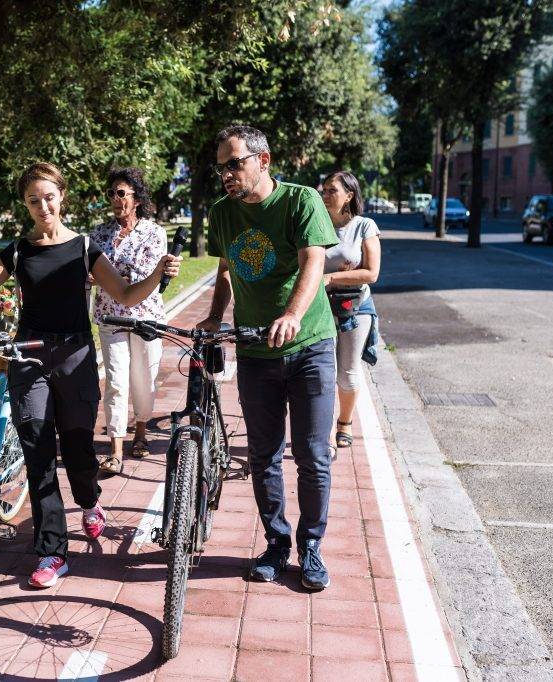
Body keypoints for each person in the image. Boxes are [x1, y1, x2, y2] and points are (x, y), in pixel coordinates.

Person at [0, 162, 180, 589]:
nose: (42, 205)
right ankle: (52, 551)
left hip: (75, 357)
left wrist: (158, 276)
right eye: (33, 199)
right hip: (28, 358)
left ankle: (88, 502)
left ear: (61, 196)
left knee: (80, 452)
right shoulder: (18, 251)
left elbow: (123, 294)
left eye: (49, 196)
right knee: (39, 455)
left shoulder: (85, 247)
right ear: (25, 204)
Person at [197, 125, 339, 591]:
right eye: (221, 167)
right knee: (263, 455)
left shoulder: (300, 201)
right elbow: (224, 269)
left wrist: (293, 314)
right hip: (256, 348)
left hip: (309, 345)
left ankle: (311, 545)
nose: (227, 174)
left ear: (264, 160)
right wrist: (216, 316)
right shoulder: (222, 212)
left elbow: (313, 261)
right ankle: (277, 544)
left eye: (235, 163)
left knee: (314, 456)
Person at [90, 167, 167, 476]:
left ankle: (141, 432)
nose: (115, 199)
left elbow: (149, 275)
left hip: (146, 318)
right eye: (111, 193)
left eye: (121, 193)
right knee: (116, 382)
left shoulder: (154, 232)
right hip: (110, 317)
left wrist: (109, 274)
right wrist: (116, 275)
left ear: (137, 199)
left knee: (143, 381)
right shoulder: (98, 233)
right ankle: (116, 448)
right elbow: (91, 273)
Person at [320, 171, 381, 449]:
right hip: (319, 307)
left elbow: (371, 273)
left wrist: (332, 278)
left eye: (332, 190)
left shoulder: (364, 226)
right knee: (320, 370)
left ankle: (344, 423)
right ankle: (321, 428)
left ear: (349, 195)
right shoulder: (316, 223)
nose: (325, 195)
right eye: (324, 190)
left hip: (355, 307)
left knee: (348, 371)